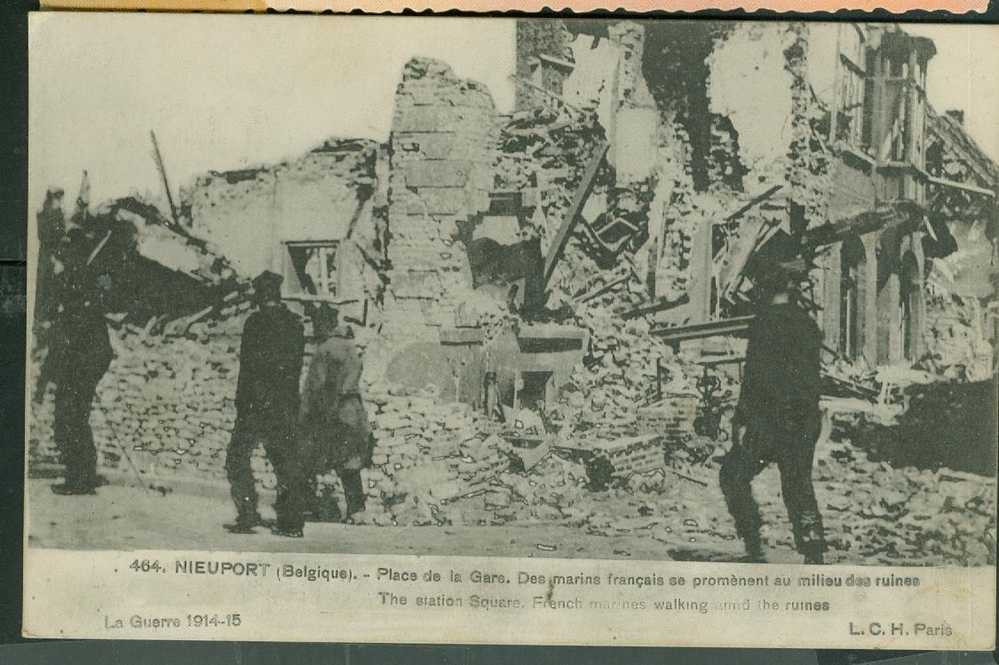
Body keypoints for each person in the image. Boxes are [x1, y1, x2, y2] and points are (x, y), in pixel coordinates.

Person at [719, 260, 826, 564]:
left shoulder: (765, 324)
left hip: (769, 422)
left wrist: (742, 419)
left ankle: (753, 542)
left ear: (766, 290)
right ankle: (813, 548)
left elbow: (756, 378)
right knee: (798, 483)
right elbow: (813, 379)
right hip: (803, 420)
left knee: (732, 474)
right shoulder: (807, 324)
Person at [225, 271, 306, 537]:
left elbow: (247, 368)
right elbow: (294, 369)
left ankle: (247, 515)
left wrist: (241, 402)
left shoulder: (255, 323)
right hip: (284, 405)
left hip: (254, 406)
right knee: (286, 463)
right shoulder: (295, 324)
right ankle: (291, 523)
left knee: (236, 458)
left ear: (260, 296)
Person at [38, 262, 114, 495]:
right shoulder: (72, 313)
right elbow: (57, 350)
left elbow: (103, 353)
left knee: (71, 424)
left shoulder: (85, 314)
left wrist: (86, 376)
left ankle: (78, 479)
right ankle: (83, 475)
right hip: (71, 380)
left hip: (76, 380)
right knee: (72, 424)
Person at [299, 304, 372, 522]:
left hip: (332, 412)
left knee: (308, 457)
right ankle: (356, 509)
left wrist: (304, 415)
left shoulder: (325, 349)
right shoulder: (350, 347)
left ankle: (309, 507)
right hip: (353, 411)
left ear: (321, 325)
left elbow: (315, 386)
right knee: (350, 462)